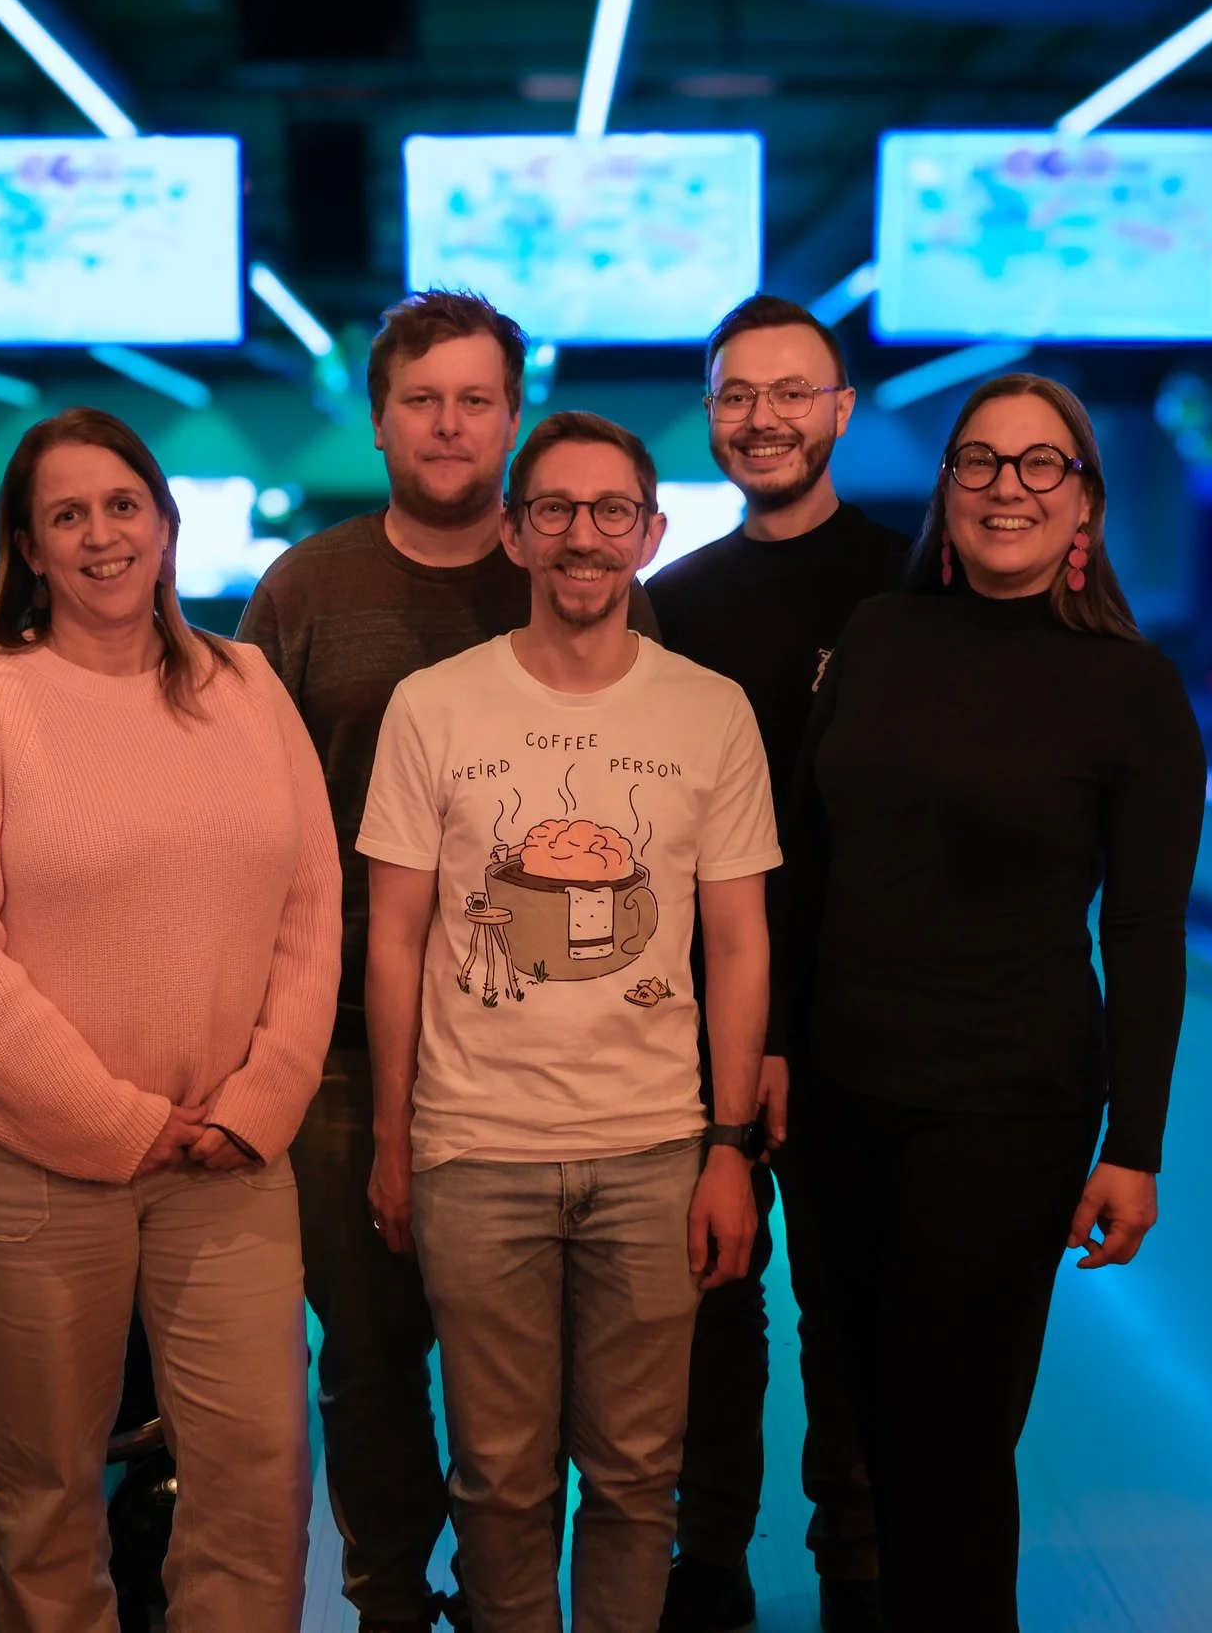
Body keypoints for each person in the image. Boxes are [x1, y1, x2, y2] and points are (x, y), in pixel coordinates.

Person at [237, 289, 658, 1632]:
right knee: (367, 1357)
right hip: (343, 1042)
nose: (448, 424)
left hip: (542, 1045)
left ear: (513, 418)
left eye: (477, 399)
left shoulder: (574, 576)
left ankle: (504, 1599)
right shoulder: (303, 591)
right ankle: (387, 1599)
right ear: (376, 421)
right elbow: (244, 815)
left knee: (531, 1376)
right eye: (421, 400)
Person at [0, 406, 338, 1633]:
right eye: (67, 515)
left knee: (257, 1478)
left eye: (122, 505)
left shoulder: (247, 687)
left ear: (165, 522)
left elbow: (311, 903)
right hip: (35, 1169)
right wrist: (114, 1119)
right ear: (28, 547)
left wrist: (262, 1096)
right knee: (45, 1497)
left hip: (229, 1159)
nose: (101, 536)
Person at [776, 375, 1206, 1630]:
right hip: (842, 1098)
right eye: (979, 460)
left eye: (1039, 463)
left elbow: (1144, 931)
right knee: (864, 1418)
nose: (1006, 486)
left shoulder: (1132, 688)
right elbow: (806, 864)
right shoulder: (876, 635)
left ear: (1085, 503)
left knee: (949, 1444)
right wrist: (775, 1050)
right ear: (947, 490)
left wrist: (1134, 1144)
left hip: (1004, 1107)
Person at [359, 411, 779, 1633]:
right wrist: (393, 1136)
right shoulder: (431, 705)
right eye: (553, 509)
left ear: (650, 533)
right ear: (514, 531)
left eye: (609, 512)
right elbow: (393, 936)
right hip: (473, 1147)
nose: (581, 535)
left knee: (638, 1475)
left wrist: (728, 1147)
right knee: (499, 1479)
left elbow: (738, 942)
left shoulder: (711, 710)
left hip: (654, 1150)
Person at [646, 294, 904, 1633]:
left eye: (792, 391)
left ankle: (856, 1560)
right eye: (738, 394)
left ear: (840, 410)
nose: (764, 418)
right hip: (703, 1017)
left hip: (866, 1014)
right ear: (711, 415)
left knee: (850, 1309)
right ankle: (709, 1554)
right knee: (712, 1300)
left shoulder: (913, 586)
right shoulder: (674, 603)